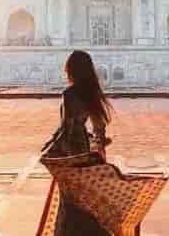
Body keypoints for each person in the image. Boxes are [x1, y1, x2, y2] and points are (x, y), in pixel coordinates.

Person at [39, 50, 113, 235]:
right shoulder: (91, 92)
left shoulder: (69, 93)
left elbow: (66, 128)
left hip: (70, 151)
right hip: (84, 149)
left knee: (69, 197)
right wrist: (100, 148)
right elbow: (99, 127)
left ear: (71, 70)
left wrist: (50, 150)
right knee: (83, 196)